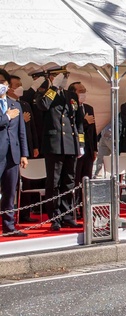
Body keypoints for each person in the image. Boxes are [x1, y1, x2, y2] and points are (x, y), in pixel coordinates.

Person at [35, 66, 85, 231]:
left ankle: (67, 215)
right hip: (54, 144)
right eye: (60, 75)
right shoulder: (43, 93)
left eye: (65, 75)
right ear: (51, 76)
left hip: (70, 143)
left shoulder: (71, 96)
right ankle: (55, 217)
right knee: (54, 183)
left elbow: (78, 122)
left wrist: (81, 144)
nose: (64, 78)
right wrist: (54, 87)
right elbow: (42, 106)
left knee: (69, 181)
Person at [0, 70, 29, 237]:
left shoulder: (15, 105)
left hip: (13, 154)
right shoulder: (10, 111)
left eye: (3, 82)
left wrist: (24, 154)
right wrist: (7, 117)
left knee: (10, 191)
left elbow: (21, 132)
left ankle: (9, 226)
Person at [69, 81, 98, 220]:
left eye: (84, 90)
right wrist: (84, 121)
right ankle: (73, 209)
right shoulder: (70, 107)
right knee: (75, 180)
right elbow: (73, 127)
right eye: (80, 90)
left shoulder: (89, 108)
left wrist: (95, 149)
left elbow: (93, 130)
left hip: (88, 149)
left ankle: (86, 208)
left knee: (87, 179)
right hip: (75, 149)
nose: (83, 93)